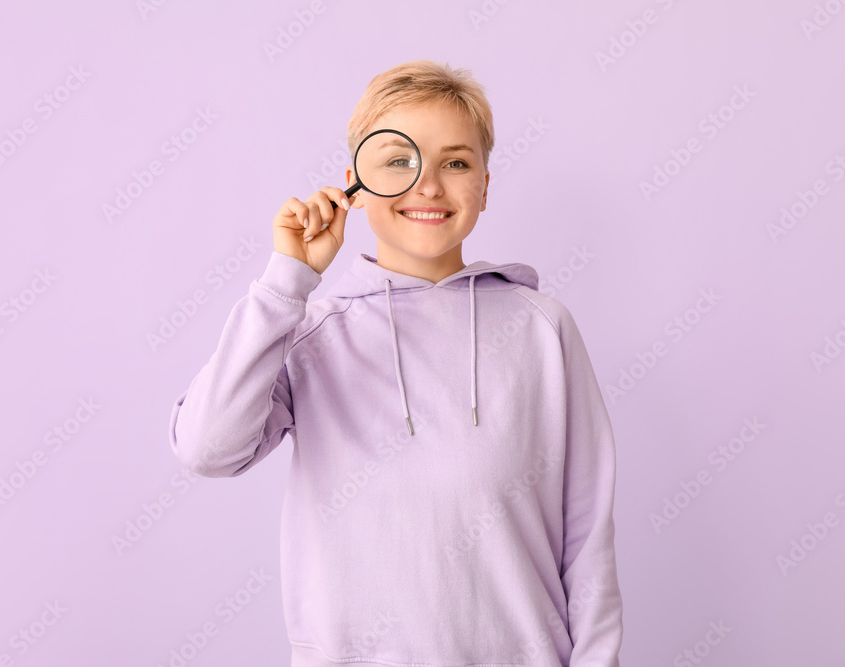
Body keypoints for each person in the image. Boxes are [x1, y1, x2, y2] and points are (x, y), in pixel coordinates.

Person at [168, 59, 623, 666]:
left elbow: (587, 533)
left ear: (485, 185)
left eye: (455, 163)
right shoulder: (310, 333)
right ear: (354, 185)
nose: (428, 186)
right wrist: (287, 281)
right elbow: (208, 449)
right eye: (398, 162)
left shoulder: (543, 328)